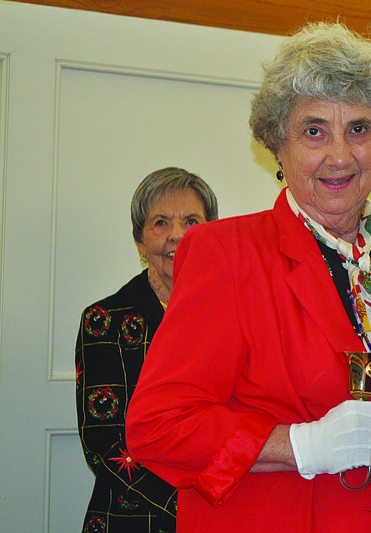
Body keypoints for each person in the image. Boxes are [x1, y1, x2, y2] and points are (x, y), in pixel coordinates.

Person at [125, 22, 371, 533]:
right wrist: (299, 445)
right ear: (278, 148)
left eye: (359, 128)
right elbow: (158, 427)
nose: (340, 155)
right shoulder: (226, 253)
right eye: (314, 131)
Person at [76, 167, 218, 533]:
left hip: (221, 508)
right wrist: (188, 504)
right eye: (160, 223)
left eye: (191, 221)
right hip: (131, 517)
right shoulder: (104, 320)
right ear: (140, 242)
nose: (177, 235)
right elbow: (103, 440)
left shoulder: (234, 315)